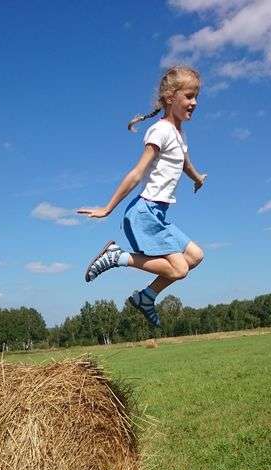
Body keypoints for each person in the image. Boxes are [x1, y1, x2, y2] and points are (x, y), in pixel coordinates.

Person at [77, 65, 207, 327]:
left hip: (158, 214)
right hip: (144, 212)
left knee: (195, 256)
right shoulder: (160, 131)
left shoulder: (179, 135)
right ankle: (117, 257)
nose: (194, 103)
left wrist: (197, 178)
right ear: (171, 97)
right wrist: (108, 208)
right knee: (180, 269)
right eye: (189, 96)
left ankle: (146, 297)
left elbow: (184, 163)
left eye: (196, 97)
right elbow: (137, 173)